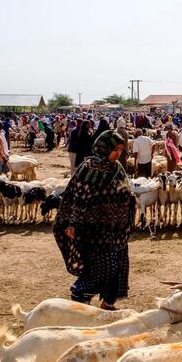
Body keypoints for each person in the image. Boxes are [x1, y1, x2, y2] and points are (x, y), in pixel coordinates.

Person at [53, 131, 132, 309]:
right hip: (93, 230)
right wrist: (72, 223)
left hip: (116, 230)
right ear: (104, 148)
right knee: (104, 267)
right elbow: (77, 197)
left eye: (120, 150)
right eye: (115, 150)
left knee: (119, 266)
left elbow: (125, 188)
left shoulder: (117, 168)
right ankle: (80, 297)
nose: (117, 153)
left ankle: (108, 303)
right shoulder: (89, 168)